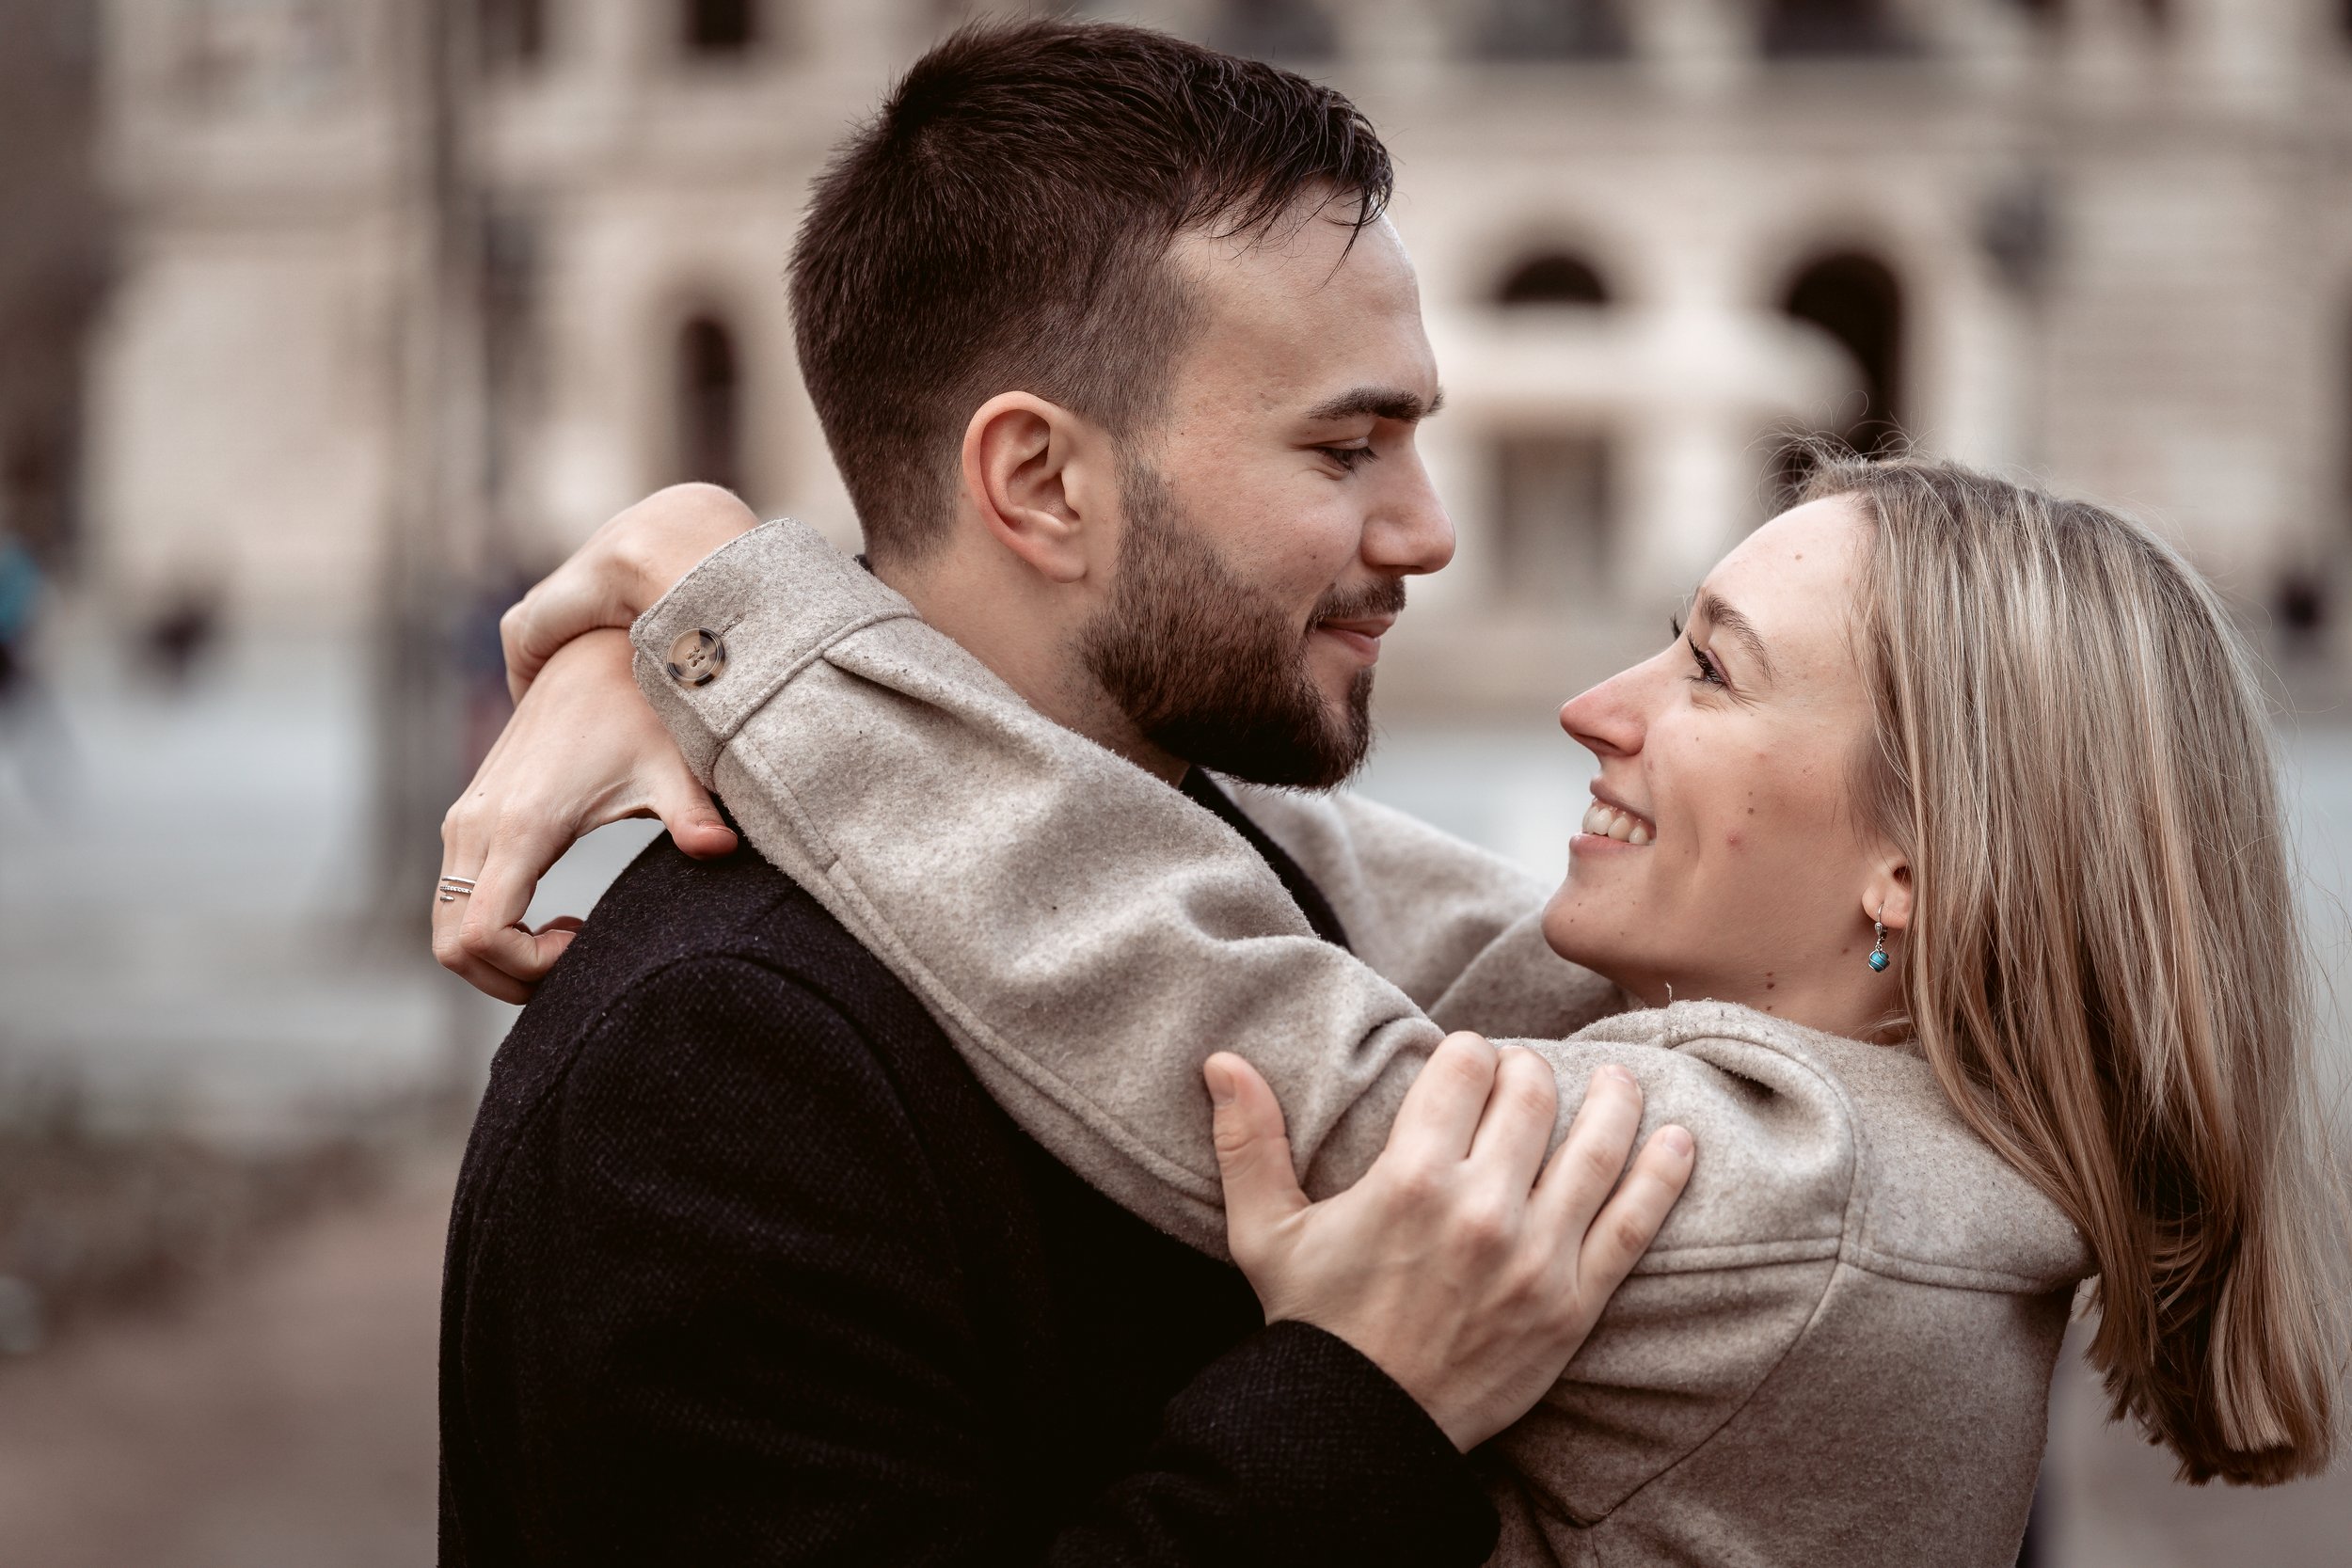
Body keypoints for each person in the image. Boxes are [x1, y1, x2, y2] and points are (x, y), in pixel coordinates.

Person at [461, 452, 2347, 1565]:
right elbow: (1312, 872)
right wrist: (749, 674)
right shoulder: (1896, 1123)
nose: (1595, 705)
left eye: (1709, 671)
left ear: (1918, 874)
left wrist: (716, 593)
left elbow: (1157, 958)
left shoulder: (1782, 1210)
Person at [432, 23, 1694, 1565]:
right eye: (1348, 447)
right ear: (1038, 483)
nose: (1430, 532)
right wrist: (1362, 1405)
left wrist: (718, 619)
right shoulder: (718, 1054)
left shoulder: (1224, 864)